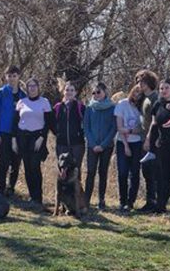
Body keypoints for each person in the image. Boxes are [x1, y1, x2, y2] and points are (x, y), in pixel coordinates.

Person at [12, 78, 55, 206]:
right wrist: (14, 140)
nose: (32, 88)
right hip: (22, 137)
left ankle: (38, 197)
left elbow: (48, 123)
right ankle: (31, 196)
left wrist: (42, 138)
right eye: (29, 86)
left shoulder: (44, 102)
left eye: (34, 86)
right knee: (27, 167)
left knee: (35, 167)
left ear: (38, 87)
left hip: (37, 138)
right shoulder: (21, 102)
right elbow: (15, 122)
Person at [146, 79, 170, 213]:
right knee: (164, 176)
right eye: (161, 88)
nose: (163, 91)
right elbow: (155, 125)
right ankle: (160, 206)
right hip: (163, 146)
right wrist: (152, 140)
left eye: (166, 88)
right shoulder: (157, 104)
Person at [0, 65, 26, 196]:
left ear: (18, 77)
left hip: (18, 134)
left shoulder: (23, 95)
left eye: (14, 76)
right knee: (3, 162)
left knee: (16, 162)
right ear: (6, 77)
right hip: (4, 133)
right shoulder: (0, 93)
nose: (12, 78)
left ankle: (11, 188)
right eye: (9, 76)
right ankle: (0, 188)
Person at [83, 82, 116, 210]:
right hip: (92, 146)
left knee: (103, 172)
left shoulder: (112, 108)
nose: (96, 95)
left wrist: (103, 145)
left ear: (105, 92)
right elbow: (86, 127)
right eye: (94, 93)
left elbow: (113, 128)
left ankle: (101, 199)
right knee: (90, 172)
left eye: (98, 92)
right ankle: (86, 200)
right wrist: (92, 144)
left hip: (106, 146)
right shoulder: (89, 108)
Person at [114, 84, 143, 212]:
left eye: (140, 93)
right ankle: (122, 201)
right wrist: (126, 145)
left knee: (135, 173)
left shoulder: (142, 107)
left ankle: (130, 202)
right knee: (122, 172)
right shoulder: (122, 104)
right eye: (136, 91)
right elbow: (120, 128)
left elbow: (141, 129)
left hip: (137, 143)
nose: (137, 94)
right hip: (122, 142)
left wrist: (131, 130)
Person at [135, 69, 160, 212]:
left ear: (149, 82)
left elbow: (154, 122)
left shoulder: (155, 97)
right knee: (146, 172)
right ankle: (150, 202)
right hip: (143, 138)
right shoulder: (144, 98)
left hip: (152, 140)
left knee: (153, 172)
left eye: (142, 81)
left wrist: (149, 140)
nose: (139, 84)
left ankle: (155, 203)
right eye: (138, 81)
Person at [53, 79, 86, 181]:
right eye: (67, 90)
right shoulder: (58, 107)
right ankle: (62, 194)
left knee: (76, 170)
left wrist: (81, 134)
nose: (69, 92)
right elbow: (51, 123)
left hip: (77, 144)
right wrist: (57, 133)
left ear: (75, 92)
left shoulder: (80, 107)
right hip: (61, 144)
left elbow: (86, 124)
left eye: (72, 90)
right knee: (62, 169)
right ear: (63, 92)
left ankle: (76, 194)